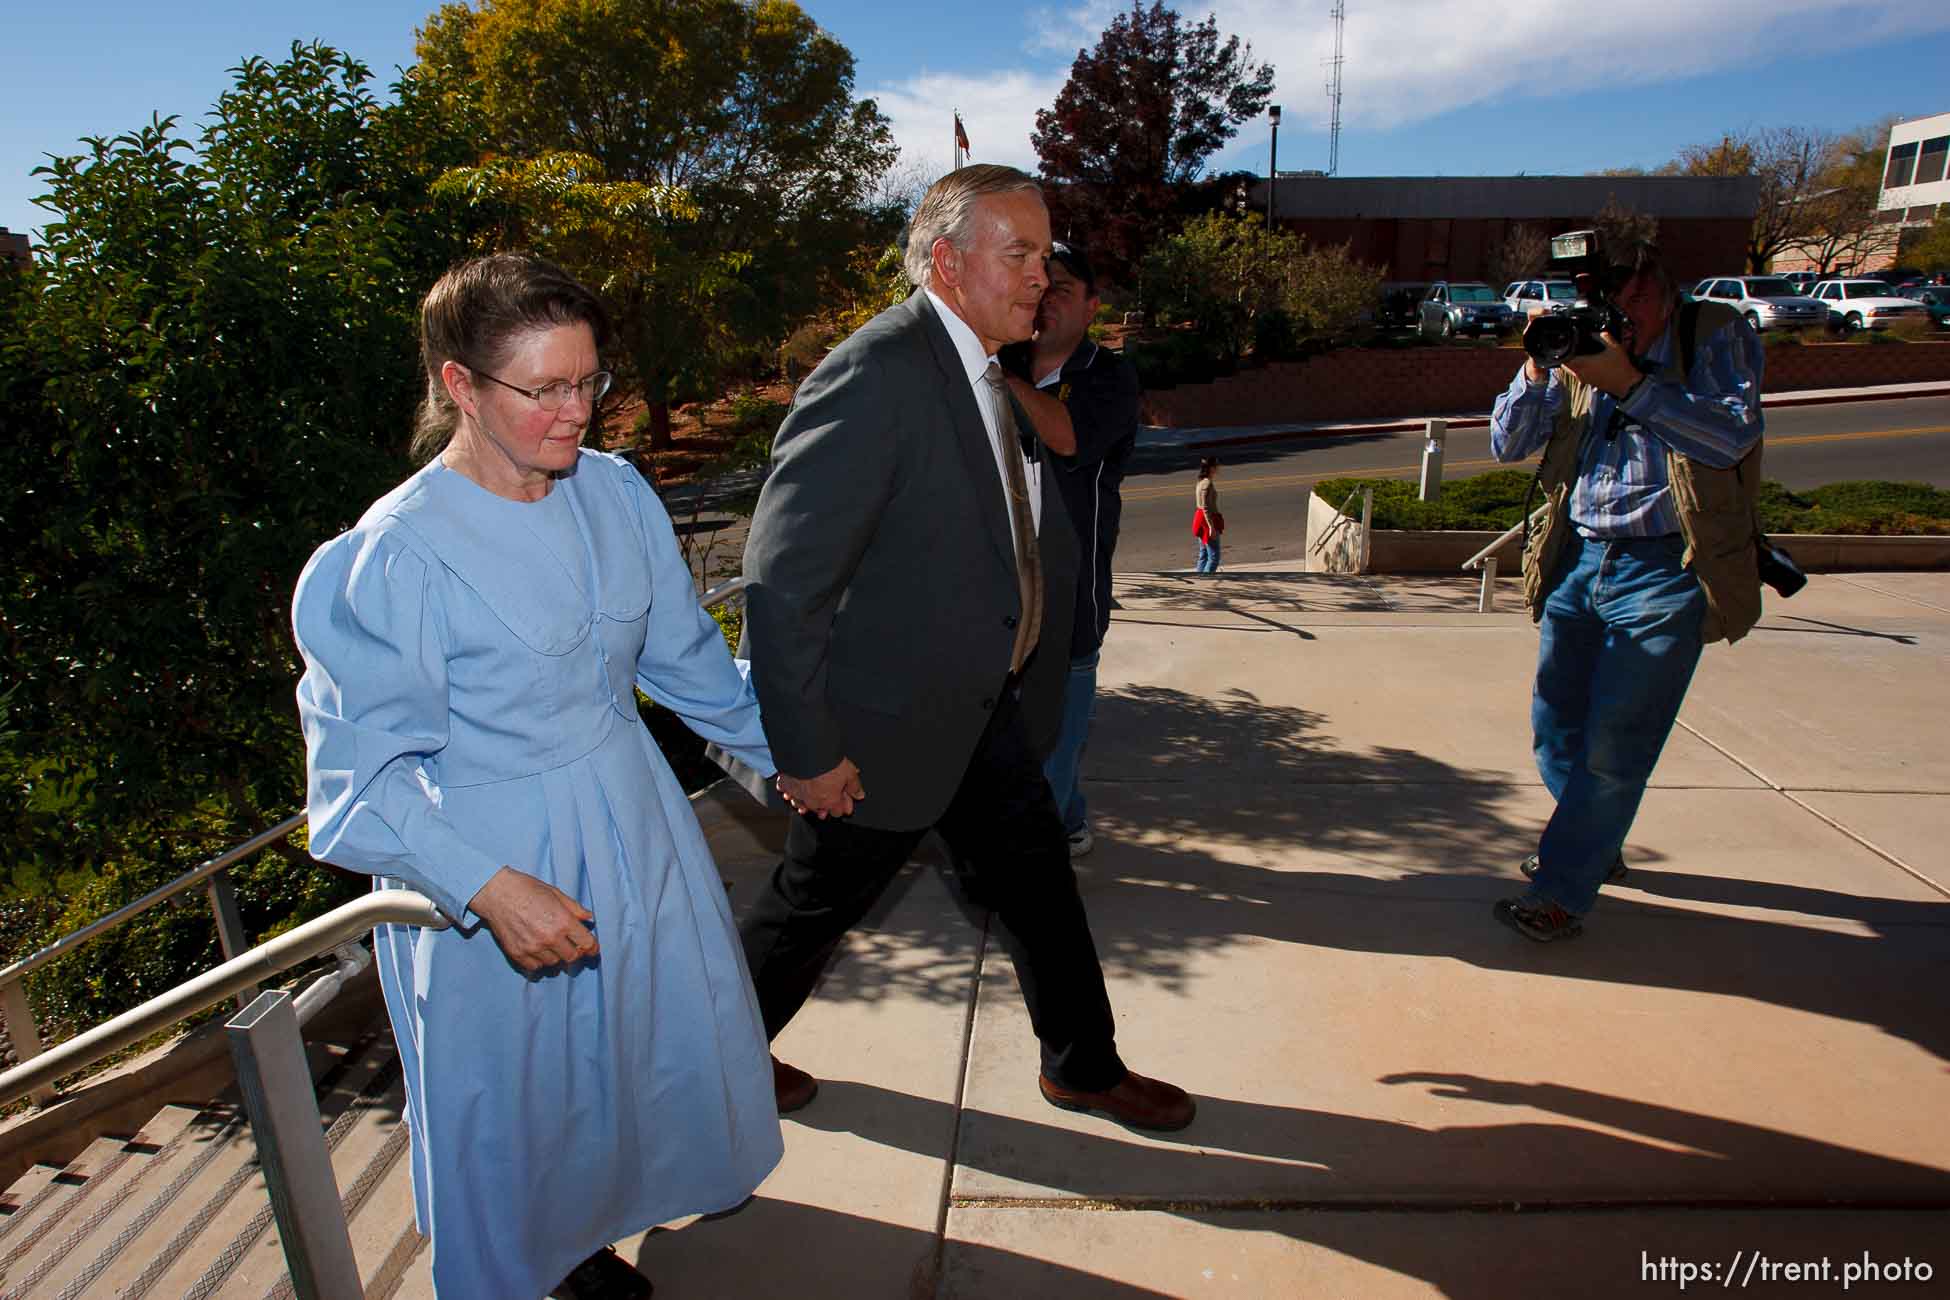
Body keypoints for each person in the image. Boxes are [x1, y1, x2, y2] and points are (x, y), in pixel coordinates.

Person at [292, 253, 783, 1298]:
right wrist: (484, 884)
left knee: (622, 1062)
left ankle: (588, 1237)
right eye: (545, 389)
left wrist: (796, 754)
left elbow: (682, 659)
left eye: (588, 382)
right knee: (518, 1098)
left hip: (631, 820)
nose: (579, 414)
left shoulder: (613, 492)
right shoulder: (394, 555)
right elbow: (355, 784)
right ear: (460, 385)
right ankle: (532, 1264)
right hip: (484, 863)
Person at [733, 165, 1195, 1132]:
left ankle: (1082, 1063)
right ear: (946, 262)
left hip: (981, 713)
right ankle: (711, 1064)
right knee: (808, 909)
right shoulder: (878, 372)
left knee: (1040, 890)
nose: (1042, 274)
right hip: (881, 729)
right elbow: (783, 581)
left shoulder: (986, 370)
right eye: (1018, 253)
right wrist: (808, 753)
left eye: (1044, 252)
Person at [1488, 239, 1766, 942]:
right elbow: (1505, 444)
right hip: (1580, 559)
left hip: (1667, 566)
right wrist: (1540, 366)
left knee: (1617, 744)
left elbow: (1729, 438)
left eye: (1637, 295)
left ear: (1665, 288)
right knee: (1556, 729)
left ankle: (1561, 893)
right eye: (1612, 297)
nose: (1625, 311)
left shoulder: (1715, 334)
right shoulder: (1583, 347)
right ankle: (1593, 844)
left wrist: (1630, 383)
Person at [1000, 241, 1140, 859]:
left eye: (1061, 287)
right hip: (999, 597)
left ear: (1091, 305)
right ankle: (1068, 815)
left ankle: (1041, 852)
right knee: (1019, 735)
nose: (1044, 296)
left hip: (1070, 604)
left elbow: (1068, 437)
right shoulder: (1004, 359)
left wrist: (995, 378)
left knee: (1059, 734)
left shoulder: (1107, 378)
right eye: (1037, 284)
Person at [1192, 458, 1224, 572]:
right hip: (1207, 520)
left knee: (1204, 553)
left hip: (1201, 518)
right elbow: (1205, 507)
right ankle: (1206, 580)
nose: (1218, 467)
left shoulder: (1201, 481)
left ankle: (1199, 579)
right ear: (1211, 468)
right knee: (1214, 557)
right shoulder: (1207, 483)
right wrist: (1211, 527)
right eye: (1216, 465)